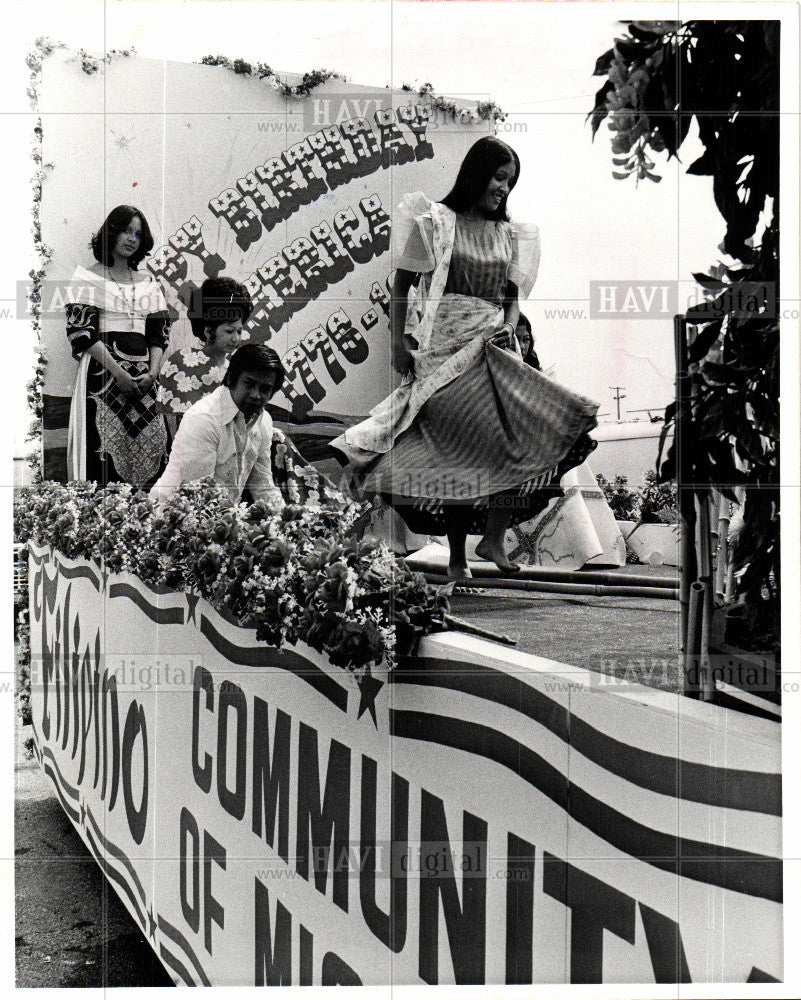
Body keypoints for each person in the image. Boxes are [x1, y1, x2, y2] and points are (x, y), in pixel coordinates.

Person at [331, 137, 599, 579]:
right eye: (498, 177)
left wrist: (510, 325)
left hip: (493, 345)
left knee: (513, 435)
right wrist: (399, 343)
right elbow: (402, 285)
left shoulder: (511, 233)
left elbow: (512, 296)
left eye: (510, 182)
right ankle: (457, 557)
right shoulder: (433, 222)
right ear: (477, 173)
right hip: (443, 348)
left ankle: (492, 538)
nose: (503, 189)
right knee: (457, 452)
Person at [65, 205, 171, 486]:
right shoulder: (86, 278)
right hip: (102, 377)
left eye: (138, 234)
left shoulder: (149, 282)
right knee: (102, 452)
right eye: (126, 230)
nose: (131, 239)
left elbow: (158, 335)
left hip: (145, 381)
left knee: (152, 449)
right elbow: (82, 334)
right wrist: (119, 374)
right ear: (111, 232)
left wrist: (152, 374)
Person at [150, 343, 286, 510]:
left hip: (220, 518)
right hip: (172, 514)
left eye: (265, 389)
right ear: (230, 379)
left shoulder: (263, 420)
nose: (256, 395)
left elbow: (262, 484)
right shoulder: (204, 418)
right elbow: (198, 495)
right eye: (249, 384)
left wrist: (287, 520)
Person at [157, 277, 251, 435]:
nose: (236, 338)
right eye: (229, 331)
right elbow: (180, 430)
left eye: (239, 331)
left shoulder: (235, 368)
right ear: (208, 331)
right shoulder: (181, 362)